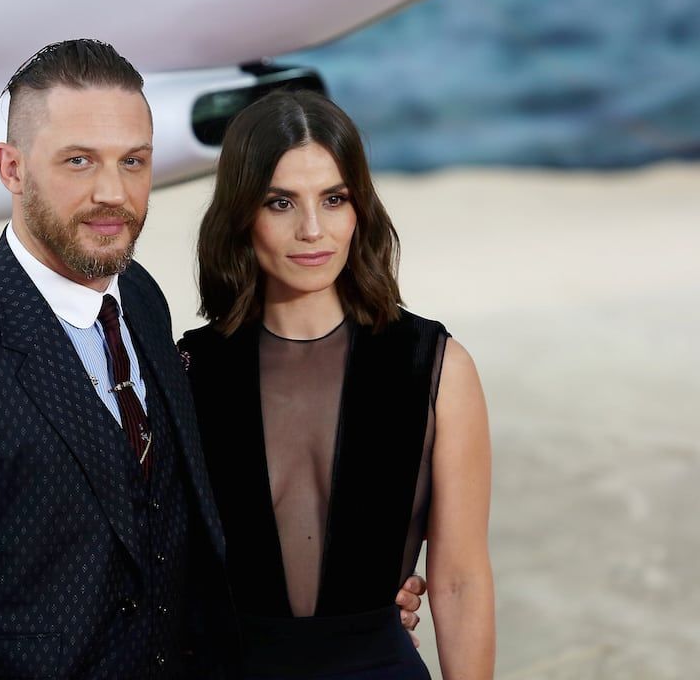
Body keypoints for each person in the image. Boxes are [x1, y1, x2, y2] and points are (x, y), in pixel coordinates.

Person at [0, 39, 427, 679]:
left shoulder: (142, 299)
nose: (112, 193)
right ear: (12, 168)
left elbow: (175, 524)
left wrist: (343, 604)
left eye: (134, 162)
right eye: (78, 161)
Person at [176, 90, 495, 679]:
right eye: (280, 203)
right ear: (242, 213)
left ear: (359, 210)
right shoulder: (191, 370)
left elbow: (459, 581)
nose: (312, 229)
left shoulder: (438, 367)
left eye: (333, 198)